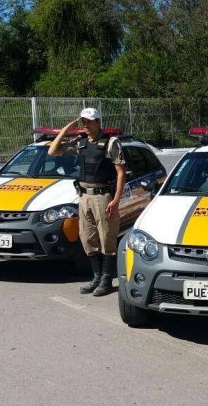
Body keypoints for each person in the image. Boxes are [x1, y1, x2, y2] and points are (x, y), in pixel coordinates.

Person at [49, 108, 126, 297]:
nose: (86, 125)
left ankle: (106, 280)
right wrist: (68, 128)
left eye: (90, 121)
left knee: (107, 237)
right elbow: (52, 151)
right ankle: (96, 277)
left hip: (103, 197)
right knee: (88, 237)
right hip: (84, 196)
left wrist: (116, 200)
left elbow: (121, 172)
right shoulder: (80, 143)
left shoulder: (110, 143)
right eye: (83, 121)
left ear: (98, 122)